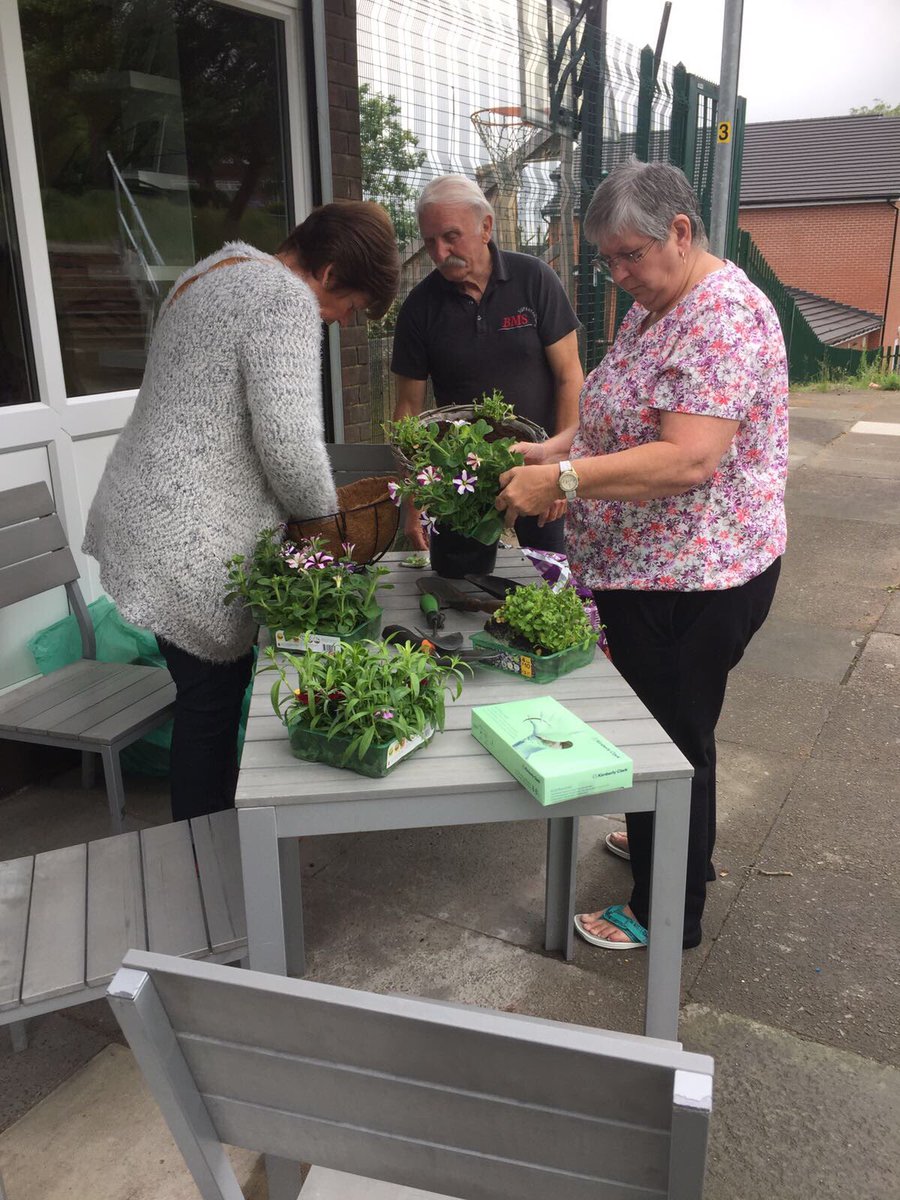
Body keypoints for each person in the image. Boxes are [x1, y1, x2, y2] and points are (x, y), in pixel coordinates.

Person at [495, 158, 788, 950]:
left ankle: (666, 913)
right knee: (680, 727)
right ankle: (683, 847)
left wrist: (564, 477)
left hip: (694, 579)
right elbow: (610, 421)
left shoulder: (721, 315)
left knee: (666, 739)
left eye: (630, 255)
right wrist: (552, 453)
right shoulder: (658, 305)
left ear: (681, 233)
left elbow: (687, 458)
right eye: (609, 261)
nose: (620, 276)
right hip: (650, 570)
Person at [83, 201, 400, 822]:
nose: (340, 321)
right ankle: (208, 861)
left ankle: (212, 843)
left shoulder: (211, 271)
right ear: (330, 273)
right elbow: (288, 446)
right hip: (184, 539)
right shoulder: (283, 298)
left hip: (142, 515)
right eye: (352, 307)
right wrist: (328, 528)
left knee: (205, 700)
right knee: (211, 708)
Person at [390, 174, 583, 553]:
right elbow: (408, 408)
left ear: (486, 227)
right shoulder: (419, 308)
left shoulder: (535, 281)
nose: (440, 252)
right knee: (459, 585)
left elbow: (569, 376)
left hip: (537, 468)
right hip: (460, 478)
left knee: (546, 574)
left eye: (451, 236)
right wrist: (413, 493)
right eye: (431, 241)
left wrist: (560, 470)